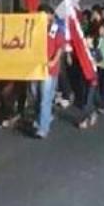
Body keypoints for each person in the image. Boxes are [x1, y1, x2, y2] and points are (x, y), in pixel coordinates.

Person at [34, 7, 65, 139]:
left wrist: (53, 61)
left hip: (49, 69)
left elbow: (60, 48)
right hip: (35, 68)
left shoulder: (55, 29)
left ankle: (43, 128)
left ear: (51, 15)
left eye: (44, 14)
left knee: (45, 98)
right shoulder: (36, 28)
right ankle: (42, 118)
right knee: (36, 95)